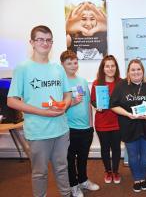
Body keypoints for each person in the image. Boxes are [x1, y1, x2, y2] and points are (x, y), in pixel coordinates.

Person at [7, 25, 72, 197]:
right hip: (37, 131)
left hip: (61, 129)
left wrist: (65, 104)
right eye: (40, 39)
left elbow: (68, 94)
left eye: (49, 40)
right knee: (39, 173)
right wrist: (42, 112)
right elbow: (11, 101)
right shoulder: (23, 68)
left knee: (62, 168)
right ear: (32, 42)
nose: (45, 43)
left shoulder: (58, 68)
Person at [110, 59, 146, 192]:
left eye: (138, 69)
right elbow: (113, 105)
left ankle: (143, 177)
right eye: (132, 69)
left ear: (142, 71)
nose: (136, 72)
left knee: (145, 156)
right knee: (133, 156)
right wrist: (127, 114)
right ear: (128, 72)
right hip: (129, 126)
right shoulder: (121, 85)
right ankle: (137, 179)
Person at [60, 50, 99, 197]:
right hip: (69, 128)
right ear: (62, 64)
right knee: (70, 159)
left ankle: (83, 180)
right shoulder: (60, 82)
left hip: (85, 128)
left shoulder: (82, 81)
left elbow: (88, 103)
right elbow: (57, 105)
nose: (73, 65)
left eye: (75, 62)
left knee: (83, 158)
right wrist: (71, 103)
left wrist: (91, 125)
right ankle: (73, 185)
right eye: (69, 63)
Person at [91, 55, 122, 184]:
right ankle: (107, 171)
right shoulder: (97, 83)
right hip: (102, 122)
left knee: (116, 148)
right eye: (107, 66)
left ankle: (115, 171)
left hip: (118, 122)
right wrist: (96, 106)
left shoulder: (122, 82)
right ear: (103, 68)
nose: (110, 68)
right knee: (104, 148)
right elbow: (93, 100)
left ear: (116, 67)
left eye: (112, 66)